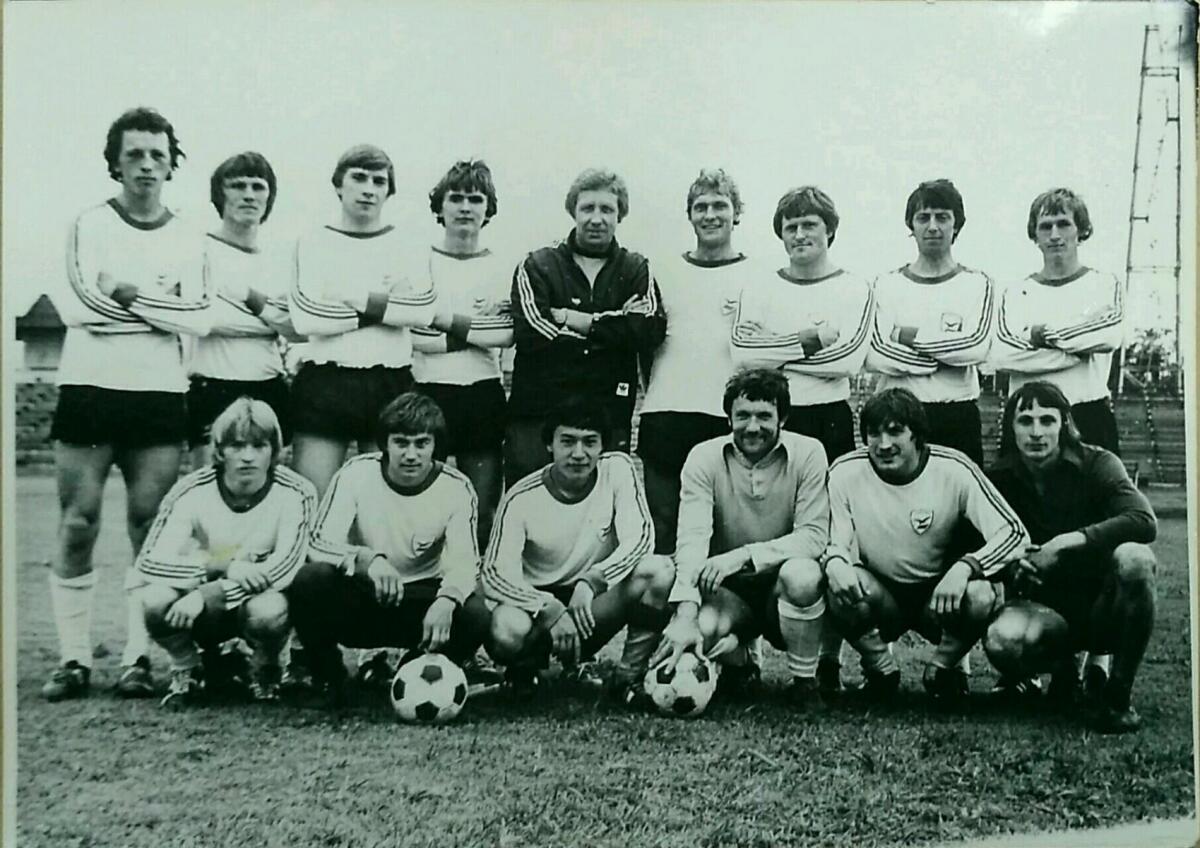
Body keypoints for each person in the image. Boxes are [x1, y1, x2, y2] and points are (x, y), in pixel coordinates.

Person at [43, 107, 213, 701]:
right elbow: (79, 307)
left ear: (171, 164)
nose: (146, 164)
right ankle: (73, 660)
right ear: (115, 161)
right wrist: (162, 312)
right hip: (89, 389)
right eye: (134, 154)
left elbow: (202, 315)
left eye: (157, 155)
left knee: (149, 526)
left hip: (159, 394)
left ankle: (138, 657)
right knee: (78, 521)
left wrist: (126, 294)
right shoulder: (89, 223)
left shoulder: (189, 235)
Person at [729, 186, 875, 694]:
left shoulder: (853, 287)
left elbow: (849, 360)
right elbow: (742, 354)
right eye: (790, 226)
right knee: (767, 527)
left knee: (830, 538)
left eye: (810, 224)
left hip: (828, 417)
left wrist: (776, 352)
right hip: (772, 423)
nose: (800, 234)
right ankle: (747, 652)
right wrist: (810, 341)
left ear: (829, 230)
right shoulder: (760, 285)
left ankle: (829, 659)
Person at [288, 393, 494, 706]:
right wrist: (366, 560)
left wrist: (447, 599)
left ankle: (416, 668)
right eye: (401, 442)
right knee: (310, 580)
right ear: (385, 443)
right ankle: (328, 676)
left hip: (421, 601)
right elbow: (318, 542)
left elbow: (465, 564)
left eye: (421, 444)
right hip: (366, 594)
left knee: (475, 615)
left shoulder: (456, 486)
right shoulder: (356, 473)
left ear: (435, 445)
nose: (411, 454)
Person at [823, 388, 1028, 702]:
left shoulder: (954, 468)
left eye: (895, 432)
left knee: (980, 594)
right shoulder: (845, 471)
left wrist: (966, 567)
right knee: (837, 579)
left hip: (939, 597)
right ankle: (880, 668)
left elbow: (1014, 532)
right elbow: (834, 538)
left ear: (917, 435)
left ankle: (942, 669)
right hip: (882, 595)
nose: (883, 444)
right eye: (874, 433)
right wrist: (835, 561)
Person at [983, 382, 1156, 733]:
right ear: (1010, 428)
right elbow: (973, 545)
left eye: (1047, 420)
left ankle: (1117, 695)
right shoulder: (997, 477)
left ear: (1064, 424)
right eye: (1025, 421)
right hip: (1042, 611)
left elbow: (1143, 520)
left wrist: (1067, 542)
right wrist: (1011, 564)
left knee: (1136, 559)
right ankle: (1061, 673)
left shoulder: (1098, 463)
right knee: (1003, 637)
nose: (1036, 432)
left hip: (1101, 608)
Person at [652, 369, 831, 709]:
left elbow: (813, 536)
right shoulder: (703, 456)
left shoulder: (809, 452)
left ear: (783, 418)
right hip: (729, 592)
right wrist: (686, 615)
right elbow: (692, 539)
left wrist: (744, 555)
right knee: (701, 632)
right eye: (743, 415)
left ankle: (804, 682)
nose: (752, 427)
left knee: (803, 575)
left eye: (764, 416)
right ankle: (738, 660)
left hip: (781, 586)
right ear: (729, 418)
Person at [482, 398, 674, 704]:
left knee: (658, 571)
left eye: (590, 442)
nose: (579, 453)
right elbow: (494, 574)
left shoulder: (618, 469)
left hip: (590, 606)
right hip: (539, 611)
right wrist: (546, 607)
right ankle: (525, 671)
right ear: (550, 445)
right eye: (568, 441)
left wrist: (592, 581)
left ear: (602, 446)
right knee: (506, 628)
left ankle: (627, 677)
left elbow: (640, 540)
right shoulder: (521, 497)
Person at [135, 398, 316, 706]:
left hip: (254, 599)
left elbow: (285, 569)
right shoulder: (191, 489)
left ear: (275, 449)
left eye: (258, 446)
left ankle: (266, 666)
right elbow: (150, 562)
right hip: (204, 600)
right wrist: (223, 567)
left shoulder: (297, 491)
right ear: (219, 451)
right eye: (236, 445)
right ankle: (187, 667)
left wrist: (209, 594)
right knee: (154, 599)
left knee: (269, 610)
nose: (247, 457)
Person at [288, 144, 444, 499]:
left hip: (389, 381)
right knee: (313, 498)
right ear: (338, 185)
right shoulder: (312, 241)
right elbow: (307, 317)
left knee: (383, 502)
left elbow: (422, 311)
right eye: (358, 178)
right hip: (326, 380)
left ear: (389, 190)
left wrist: (351, 297)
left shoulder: (409, 244)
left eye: (379, 181)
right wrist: (388, 307)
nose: (368, 189)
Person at [506, 168, 666, 485]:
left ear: (620, 215)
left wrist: (573, 319)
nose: (596, 219)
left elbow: (647, 329)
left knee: (604, 507)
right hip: (538, 417)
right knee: (528, 504)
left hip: (608, 417)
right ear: (573, 211)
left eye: (607, 209)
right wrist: (615, 325)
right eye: (587, 208)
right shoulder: (537, 264)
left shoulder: (636, 268)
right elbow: (533, 333)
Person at [638, 168, 747, 555]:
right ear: (689, 215)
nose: (710, 214)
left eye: (720, 205)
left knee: (722, 533)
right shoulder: (660, 270)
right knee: (664, 528)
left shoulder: (757, 274)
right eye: (701, 207)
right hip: (666, 414)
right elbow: (645, 343)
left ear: (736, 213)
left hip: (727, 418)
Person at [410, 160, 513, 548]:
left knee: (480, 510)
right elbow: (413, 333)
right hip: (426, 390)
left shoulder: (502, 266)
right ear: (440, 206)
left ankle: (473, 579)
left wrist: (444, 323)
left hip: (482, 393)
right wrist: (474, 330)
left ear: (489, 208)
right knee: (421, 505)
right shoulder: (419, 261)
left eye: (475, 199)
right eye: (456, 198)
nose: (466, 207)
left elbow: (506, 334)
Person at [865, 179, 994, 467]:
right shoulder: (886, 284)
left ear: (956, 225)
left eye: (942, 217)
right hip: (897, 417)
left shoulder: (977, 283)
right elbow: (875, 353)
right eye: (923, 218)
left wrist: (907, 336)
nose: (933, 226)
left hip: (956, 414)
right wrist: (937, 359)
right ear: (911, 226)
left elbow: (975, 347)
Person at [992, 188, 1124, 454]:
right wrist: (1075, 349)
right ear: (1035, 235)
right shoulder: (1014, 293)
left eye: (1063, 224)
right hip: (1028, 416)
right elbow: (1000, 356)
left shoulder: (1103, 284)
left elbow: (1109, 336)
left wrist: (1037, 336)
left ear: (1081, 230)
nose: (1054, 235)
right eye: (1045, 226)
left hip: (1088, 414)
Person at [187, 151, 299, 468]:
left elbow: (298, 327)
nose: (249, 195)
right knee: (209, 485)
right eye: (238, 185)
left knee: (270, 487)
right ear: (220, 194)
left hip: (269, 384)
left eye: (258, 186)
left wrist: (248, 300)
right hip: (213, 384)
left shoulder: (279, 259)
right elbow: (203, 319)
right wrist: (270, 319)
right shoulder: (198, 249)